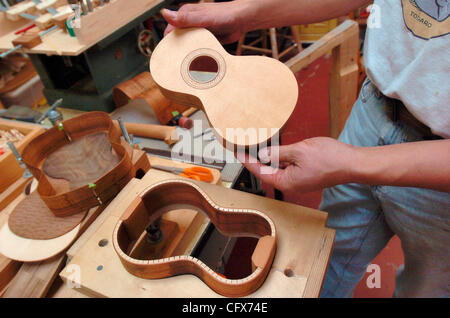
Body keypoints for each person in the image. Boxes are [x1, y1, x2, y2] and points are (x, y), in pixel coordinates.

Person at [160, 0, 450, 297]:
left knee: (426, 288)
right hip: (372, 108)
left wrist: (351, 162)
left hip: (439, 178)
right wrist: (240, 13)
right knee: (321, 259)